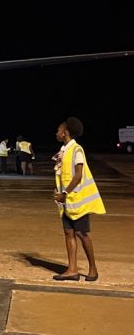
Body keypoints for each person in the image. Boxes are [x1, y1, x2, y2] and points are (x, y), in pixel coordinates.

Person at [52, 117, 105, 281]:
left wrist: (64, 193)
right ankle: (72, 269)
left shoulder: (77, 150)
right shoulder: (64, 150)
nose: (56, 132)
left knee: (82, 234)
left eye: (58, 129)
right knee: (68, 232)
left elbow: (78, 175)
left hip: (77, 200)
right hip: (67, 201)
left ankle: (93, 269)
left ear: (64, 132)